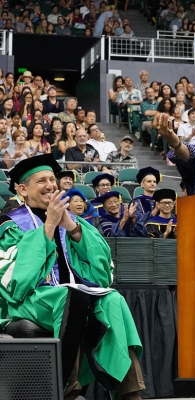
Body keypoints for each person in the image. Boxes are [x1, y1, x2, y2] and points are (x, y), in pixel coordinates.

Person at [0, 154, 145, 399]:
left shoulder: (74, 222)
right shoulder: (9, 225)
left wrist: (70, 227)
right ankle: (67, 389)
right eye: (41, 181)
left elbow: (102, 274)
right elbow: (16, 283)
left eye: (52, 179)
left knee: (113, 299)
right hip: (30, 301)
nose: (50, 185)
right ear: (22, 189)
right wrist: (48, 227)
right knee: (72, 297)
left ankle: (130, 392)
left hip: (69, 296)